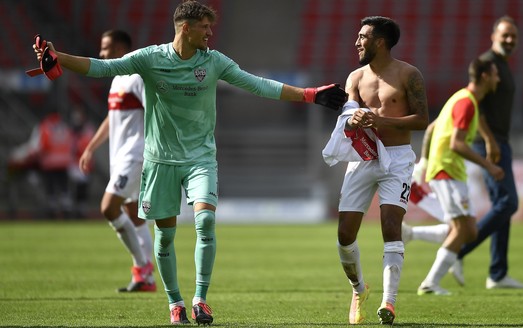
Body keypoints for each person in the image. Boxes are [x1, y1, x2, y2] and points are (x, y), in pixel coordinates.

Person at [32, 1, 346, 325]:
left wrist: (310, 94)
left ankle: (200, 299)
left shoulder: (214, 62)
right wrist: (60, 59)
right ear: (186, 28)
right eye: (205, 27)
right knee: (165, 237)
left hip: (200, 158)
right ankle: (175, 303)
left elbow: (258, 84)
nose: (211, 33)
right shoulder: (151, 58)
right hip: (160, 161)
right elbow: (101, 68)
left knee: (205, 223)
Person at [335, 16, 429, 326]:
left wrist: (382, 121)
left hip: (399, 158)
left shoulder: (408, 74)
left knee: (390, 224)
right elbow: (348, 115)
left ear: (380, 42)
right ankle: (359, 289)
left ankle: (389, 303)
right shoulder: (355, 77)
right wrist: (352, 120)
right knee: (344, 234)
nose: (357, 42)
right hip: (363, 157)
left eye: (363, 36)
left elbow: (421, 120)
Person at [454, 16, 523, 290]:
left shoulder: (503, 64)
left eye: (513, 36)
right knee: (508, 203)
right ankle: (456, 252)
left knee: (504, 205)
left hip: (499, 140)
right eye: (505, 35)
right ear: (493, 36)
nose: (510, 40)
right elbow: (476, 104)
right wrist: (489, 141)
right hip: (490, 142)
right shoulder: (488, 63)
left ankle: (497, 273)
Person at [416, 58, 503, 296]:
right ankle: (430, 283)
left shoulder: (459, 98)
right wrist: (489, 166)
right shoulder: (467, 103)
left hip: (447, 169)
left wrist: (424, 160)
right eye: (495, 74)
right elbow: (457, 144)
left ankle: (410, 234)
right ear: (485, 76)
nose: (498, 78)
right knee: (463, 230)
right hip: (447, 170)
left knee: (469, 230)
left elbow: (433, 128)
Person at [78, 30, 156, 292]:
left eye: (106, 48)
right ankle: (146, 280)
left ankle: (142, 266)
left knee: (108, 207)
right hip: (120, 155)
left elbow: (155, 112)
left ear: (122, 48)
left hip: (136, 155)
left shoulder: (137, 77)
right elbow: (112, 119)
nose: (101, 54)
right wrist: (90, 147)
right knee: (132, 214)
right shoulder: (117, 79)